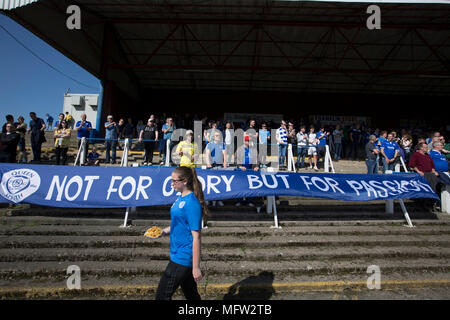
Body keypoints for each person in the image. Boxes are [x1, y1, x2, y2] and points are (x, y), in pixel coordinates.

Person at [155, 166, 207, 300]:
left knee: (162, 296)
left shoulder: (192, 203)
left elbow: (196, 237)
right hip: (177, 253)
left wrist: (195, 267)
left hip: (183, 258)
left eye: (174, 181)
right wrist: (163, 231)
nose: (171, 184)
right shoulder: (180, 199)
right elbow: (179, 222)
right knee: (192, 295)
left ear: (184, 181)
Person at [235, 136, 262, 208]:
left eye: (249, 141)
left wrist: (256, 166)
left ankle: (249, 201)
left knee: (250, 186)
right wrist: (240, 166)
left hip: (250, 170)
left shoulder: (253, 149)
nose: (249, 142)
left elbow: (257, 159)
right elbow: (235, 159)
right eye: (247, 141)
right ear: (244, 141)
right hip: (241, 171)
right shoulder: (240, 149)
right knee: (240, 186)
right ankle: (239, 201)